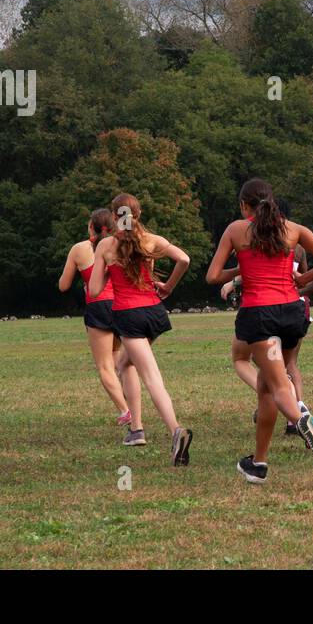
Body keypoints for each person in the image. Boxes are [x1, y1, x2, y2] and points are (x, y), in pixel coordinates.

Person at [206, 178, 313, 483]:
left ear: (244, 205)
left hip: (260, 316)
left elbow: (213, 276)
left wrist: (240, 268)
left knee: (279, 387)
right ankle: (259, 464)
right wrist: (303, 278)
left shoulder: (236, 230)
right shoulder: (293, 229)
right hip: (292, 313)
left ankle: (305, 423)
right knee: (267, 391)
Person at [89, 193, 193, 465]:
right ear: (138, 215)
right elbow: (184, 259)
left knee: (152, 377)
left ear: (114, 217)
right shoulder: (150, 241)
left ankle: (176, 431)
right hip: (154, 313)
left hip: (129, 316)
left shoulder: (106, 246)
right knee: (125, 364)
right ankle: (136, 430)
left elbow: (96, 289)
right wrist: (168, 287)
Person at [57, 208, 139, 433]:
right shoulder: (122, 245)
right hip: (122, 305)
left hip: (98, 306)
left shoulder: (79, 249)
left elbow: (63, 285)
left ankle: (126, 411)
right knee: (118, 363)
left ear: (91, 227)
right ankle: (134, 411)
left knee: (104, 367)